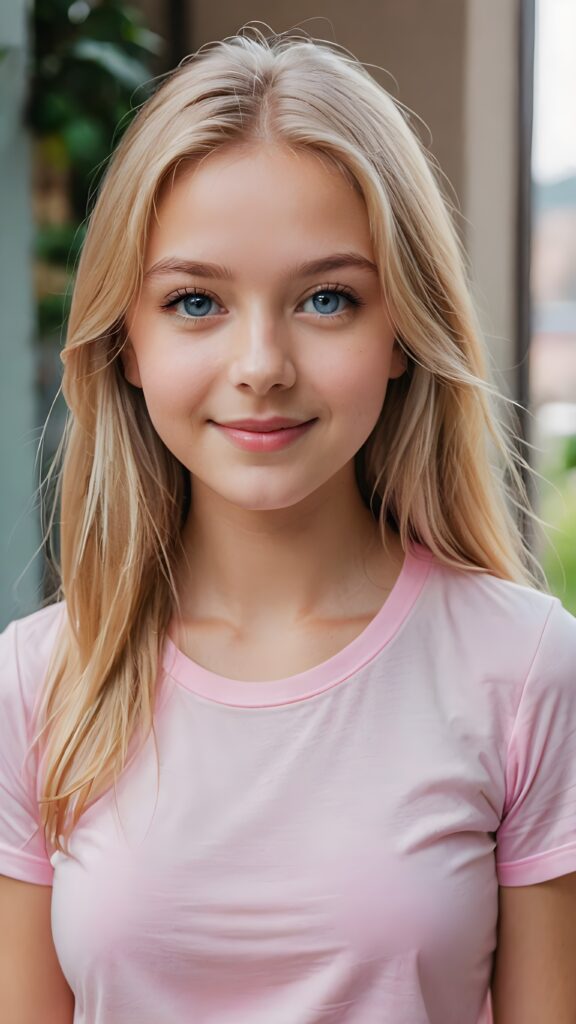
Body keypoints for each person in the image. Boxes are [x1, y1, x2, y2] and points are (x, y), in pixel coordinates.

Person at [1, 24, 575, 1024]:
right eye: (194, 301)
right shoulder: (38, 687)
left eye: (325, 298)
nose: (262, 363)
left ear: (402, 331)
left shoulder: (524, 669)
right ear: (124, 344)